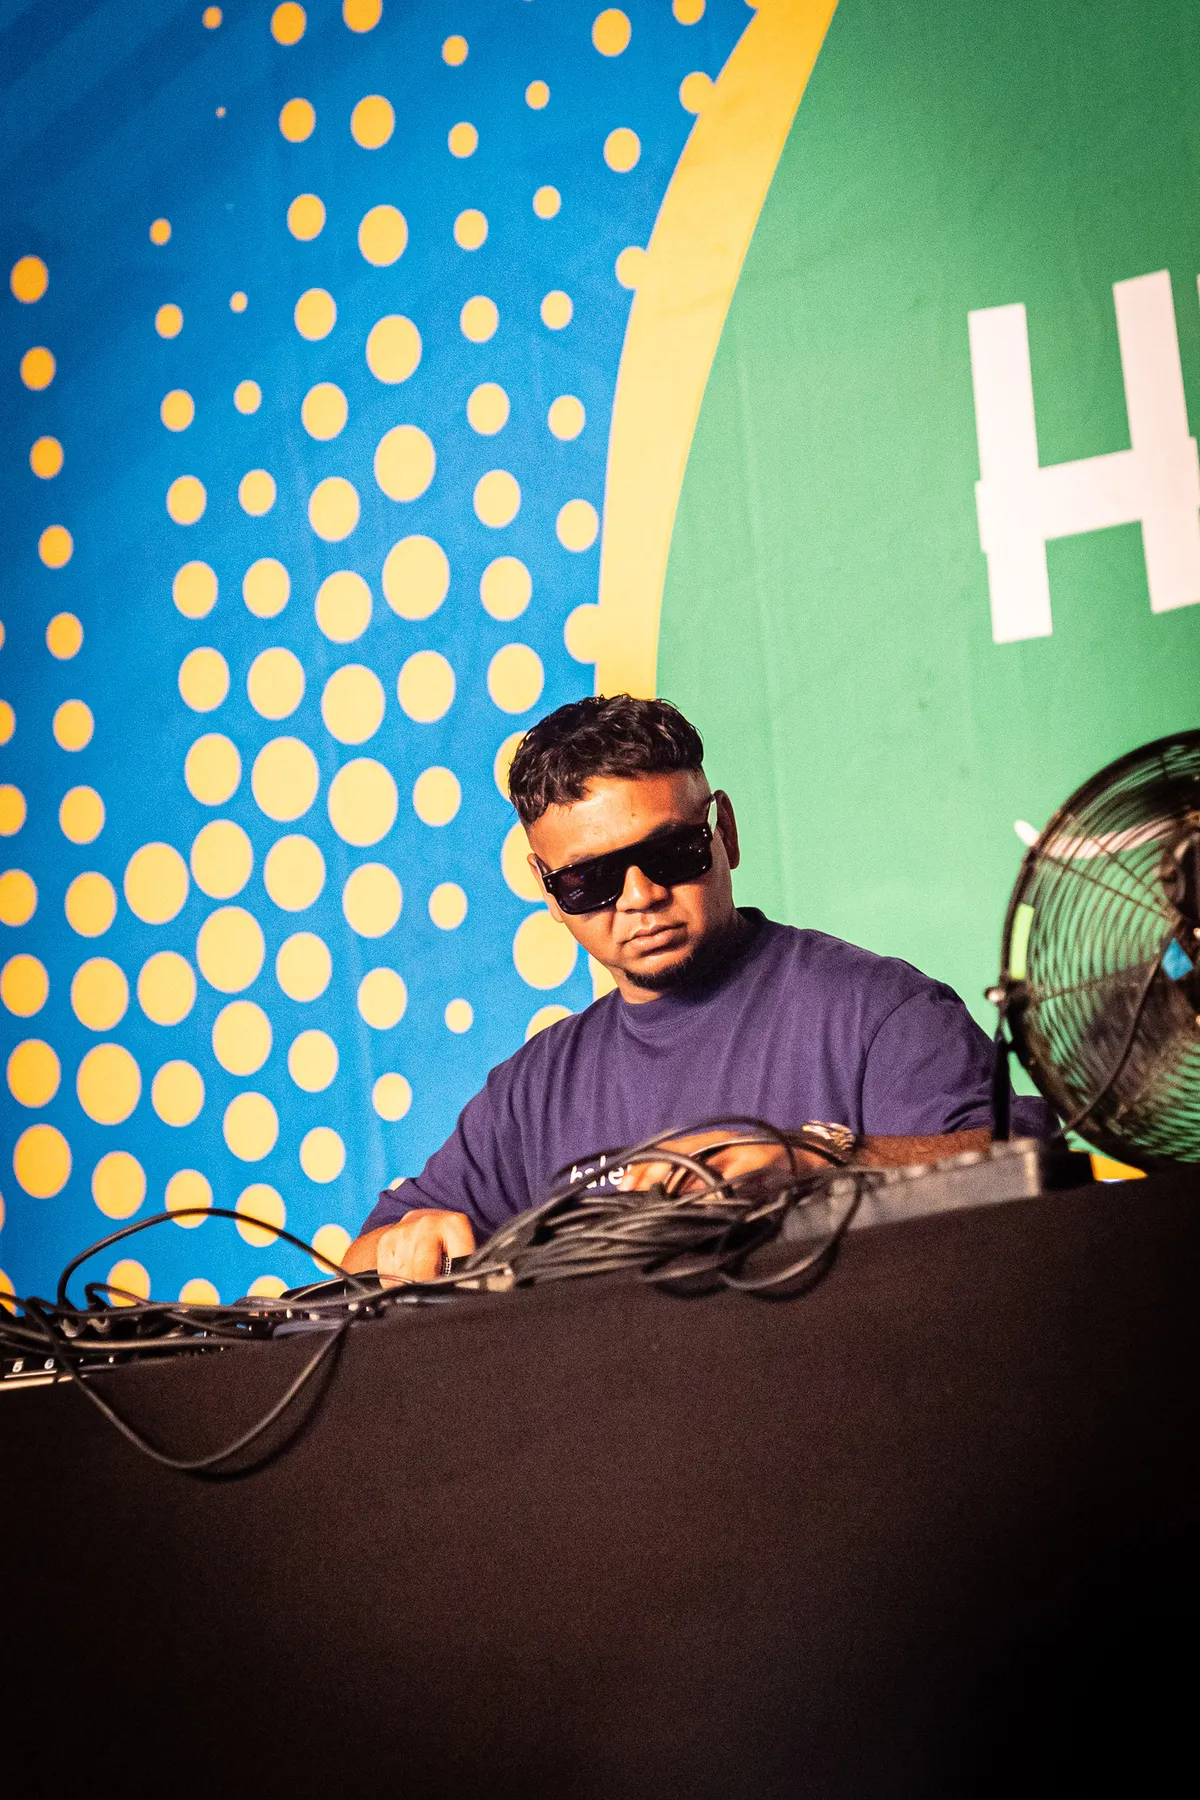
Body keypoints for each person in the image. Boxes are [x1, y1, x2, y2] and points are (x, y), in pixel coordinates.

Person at [344, 696, 1055, 1281]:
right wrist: (406, 1246)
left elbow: (1020, 1166)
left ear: (726, 834)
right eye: (589, 879)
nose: (640, 896)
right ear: (548, 889)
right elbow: (361, 1258)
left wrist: (816, 1160)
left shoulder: (875, 1010)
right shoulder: (531, 1093)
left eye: (669, 852)